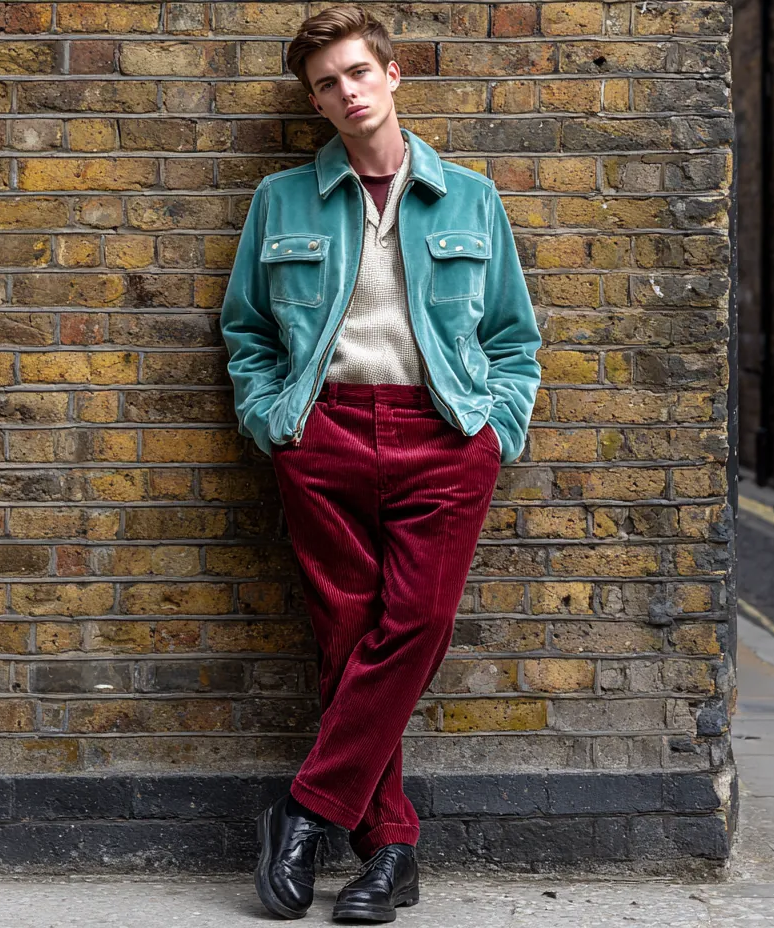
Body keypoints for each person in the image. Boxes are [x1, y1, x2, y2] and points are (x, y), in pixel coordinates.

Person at [218, 6, 542, 921]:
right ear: (314, 99)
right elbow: (245, 330)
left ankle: (304, 809)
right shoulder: (281, 201)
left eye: (359, 71)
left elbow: (514, 337)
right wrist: (271, 421)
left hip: (442, 435)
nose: (346, 91)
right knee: (348, 639)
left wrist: (495, 430)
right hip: (320, 438)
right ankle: (390, 853)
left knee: (418, 624)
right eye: (326, 82)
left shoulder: (472, 198)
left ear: (393, 74)